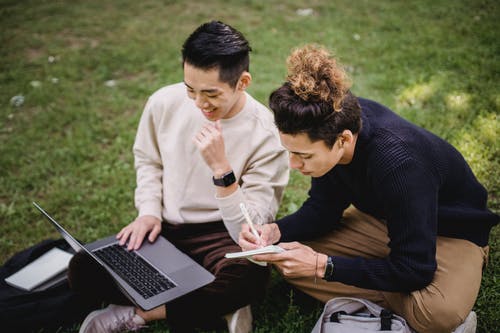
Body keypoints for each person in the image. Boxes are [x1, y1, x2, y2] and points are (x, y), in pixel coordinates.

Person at [238, 45, 499, 333]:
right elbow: (324, 208)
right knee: (284, 256)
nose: (294, 164)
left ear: (343, 140)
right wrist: (276, 232)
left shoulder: (400, 163)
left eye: (304, 156)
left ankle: (408, 290)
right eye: (290, 152)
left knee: (436, 314)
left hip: (451, 233)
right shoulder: (331, 120)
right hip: (383, 221)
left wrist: (323, 267)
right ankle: (392, 286)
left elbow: (415, 269)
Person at [68, 21, 289, 333]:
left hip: (224, 237)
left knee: (250, 274)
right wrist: (148, 212)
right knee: (83, 270)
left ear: (243, 82)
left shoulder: (267, 133)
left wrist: (222, 171)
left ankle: (143, 313)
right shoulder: (164, 102)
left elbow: (250, 229)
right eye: (191, 90)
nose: (199, 104)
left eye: (211, 93)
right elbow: (148, 160)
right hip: (168, 230)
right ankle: (212, 305)